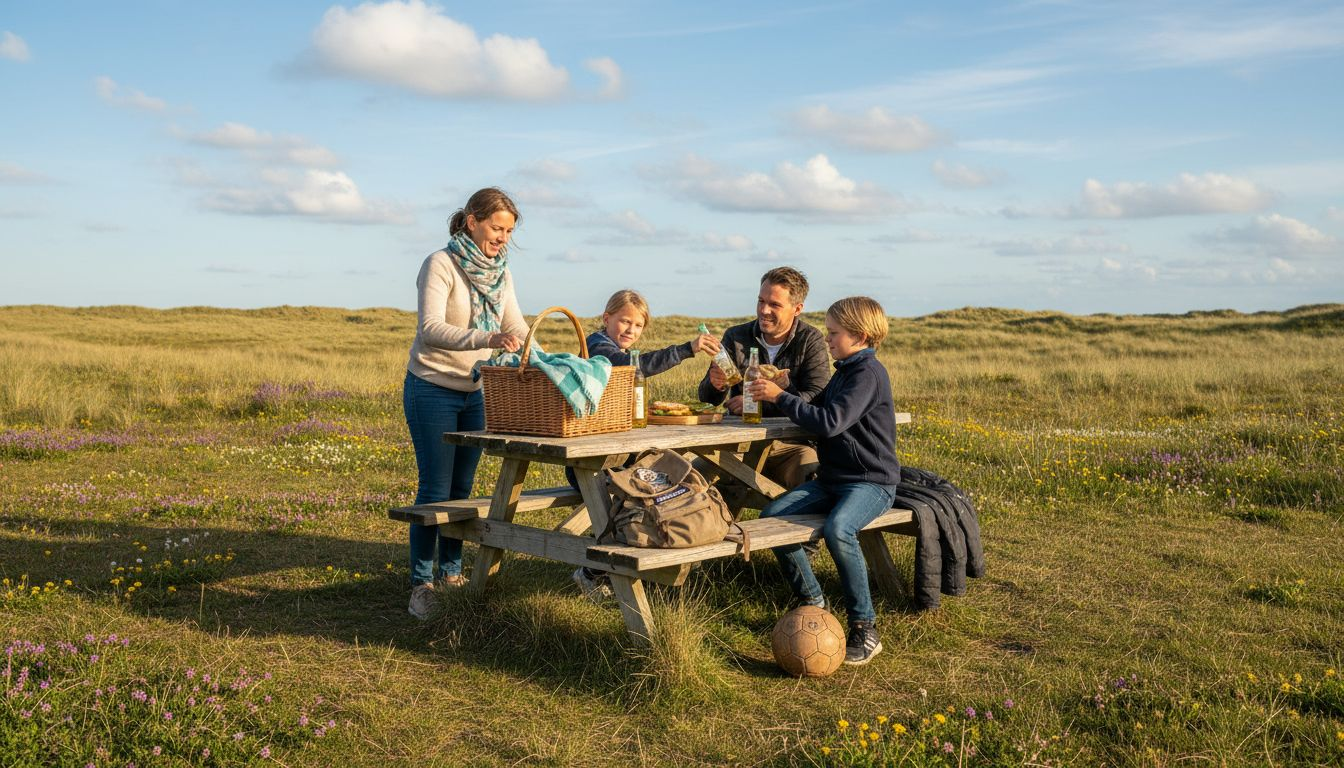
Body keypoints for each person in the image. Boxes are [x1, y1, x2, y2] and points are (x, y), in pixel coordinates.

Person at [746, 296, 900, 665]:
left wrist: (781, 396)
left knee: (839, 529)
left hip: (871, 483)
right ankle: (813, 602)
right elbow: (817, 410)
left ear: (860, 336)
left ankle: (865, 626)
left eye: (834, 333)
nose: (828, 339)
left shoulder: (868, 374)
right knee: (770, 517)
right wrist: (788, 387)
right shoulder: (846, 369)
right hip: (833, 480)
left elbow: (830, 422)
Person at [402, 187, 528, 620]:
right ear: (472, 221)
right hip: (432, 387)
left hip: (477, 392)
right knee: (435, 488)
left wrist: (551, 360)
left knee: (461, 491)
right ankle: (422, 583)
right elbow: (431, 328)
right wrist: (486, 339)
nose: (502, 238)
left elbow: (516, 325)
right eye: (497, 228)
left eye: (509, 231)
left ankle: (452, 575)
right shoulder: (440, 264)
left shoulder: (501, 272)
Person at [570, 289, 721, 602]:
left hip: (611, 454)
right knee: (651, 488)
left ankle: (623, 568)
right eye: (624, 321)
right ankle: (596, 572)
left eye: (637, 326)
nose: (630, 330)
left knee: (660, 481)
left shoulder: (615, 348)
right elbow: (633, 366)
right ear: (606, 318)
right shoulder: (599, 346)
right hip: (591, 462)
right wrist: (687, 349)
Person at [696, 266, 830, 492]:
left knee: (811, 471)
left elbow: (818, 401)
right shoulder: (736, 336)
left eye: (775, 304)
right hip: (740, 440)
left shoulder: (811, 340)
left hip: (791, 444)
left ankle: (795, 527)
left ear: (797, 309)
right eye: (761, 301)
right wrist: (716, 383)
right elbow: (706, 398)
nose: (764, 310)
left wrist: (767, 398)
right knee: (695, 473)